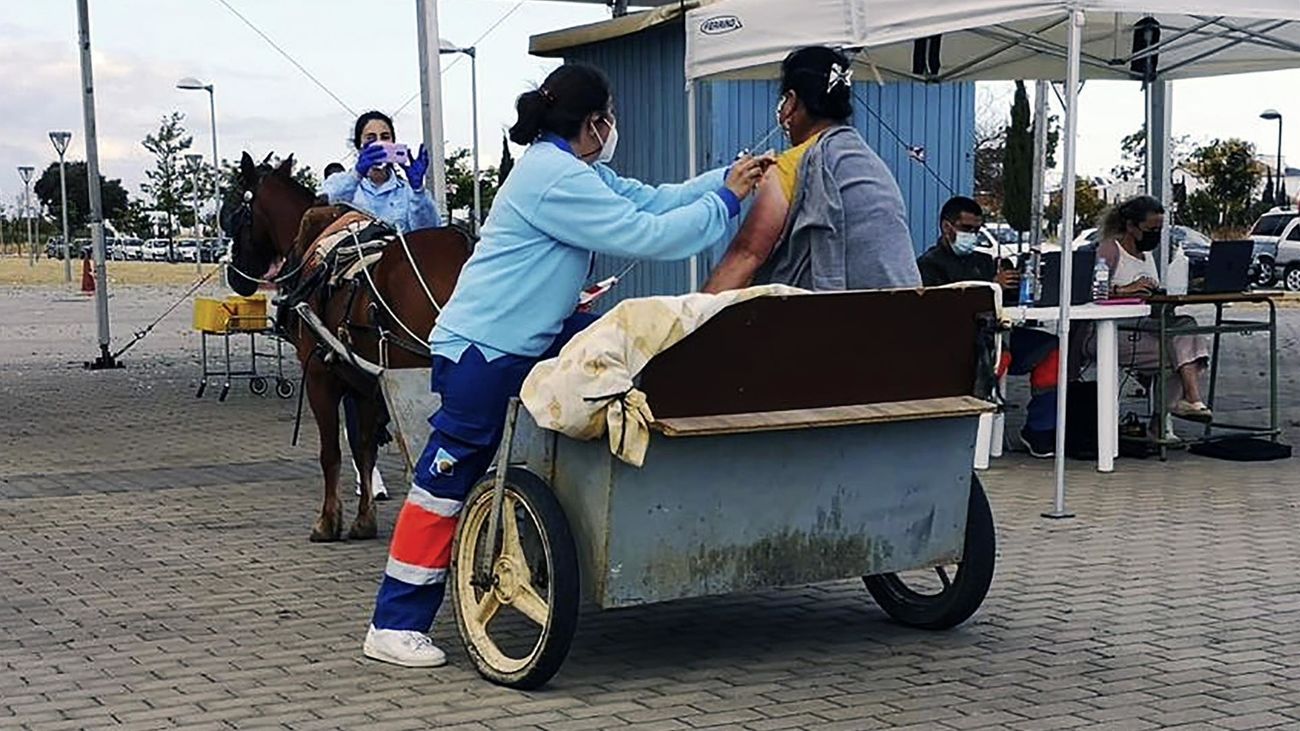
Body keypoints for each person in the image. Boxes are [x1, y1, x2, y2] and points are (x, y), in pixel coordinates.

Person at [362, 62, 769, 668]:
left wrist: (728, 180)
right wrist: (727, 203)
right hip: (484, 348)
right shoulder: (553, 178)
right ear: (593, 122)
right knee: (443, 483)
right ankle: (392, 625)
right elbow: (650, 234)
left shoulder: (579, 169)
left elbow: (653, 198)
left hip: (529, 337)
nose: (614, 129)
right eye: (610, 118)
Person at [703, 46, 921, 293]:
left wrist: (693, 320)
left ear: (791, 103)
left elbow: (746, 254)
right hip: (905, 314)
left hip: (840, 321)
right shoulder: (870, 163)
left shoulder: (792, 165)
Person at [917, 197, 1058, 457]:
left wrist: (1022, 284)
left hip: (1002, 333)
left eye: (977, 230)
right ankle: (976, 441)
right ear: (947, 227)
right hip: (963, 342)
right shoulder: (929, 265)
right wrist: (991, 285)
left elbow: (1008, 304)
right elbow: (942, 308)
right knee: (996, 356)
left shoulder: (985, 261)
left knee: (1052, 348)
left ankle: (1040, 431)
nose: (972, 235)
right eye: (967, 229)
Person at [1091, 195, 1212, 423]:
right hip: (1114, 331)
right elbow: (1091, 291)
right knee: (1182, 358)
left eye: (1159, 229)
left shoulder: (1147, 256)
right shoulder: (1110, 249)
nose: (1155, 234)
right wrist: (1125, 290)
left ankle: (1187, 403)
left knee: (1187, 329)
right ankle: (1180, 407)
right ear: (1131, 226)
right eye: (1150, 229)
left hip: (1146, 327)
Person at [322, 111, 441, 233]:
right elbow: (325, 207)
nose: (379, 143)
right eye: (370, 138)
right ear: (359, 146)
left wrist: (418, 190)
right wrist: (356, 174)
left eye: (385, 137)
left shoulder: (407, 191)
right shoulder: (339, 182)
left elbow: (429, 231)